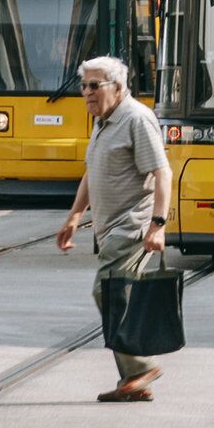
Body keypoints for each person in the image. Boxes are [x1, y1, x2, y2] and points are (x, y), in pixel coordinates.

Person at [54, 55, 165, 399]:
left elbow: (163, 173)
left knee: (108, 292)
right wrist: (75, 215)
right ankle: (132, 383)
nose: (86, 92)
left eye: (94, 86)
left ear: (117, 88)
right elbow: (92, 170)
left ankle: (140, 368)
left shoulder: (136, 119)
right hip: (107, 228)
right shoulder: (103, 122)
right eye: (83, 85)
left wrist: (158, 225)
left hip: (131, 226)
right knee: (117, 296)